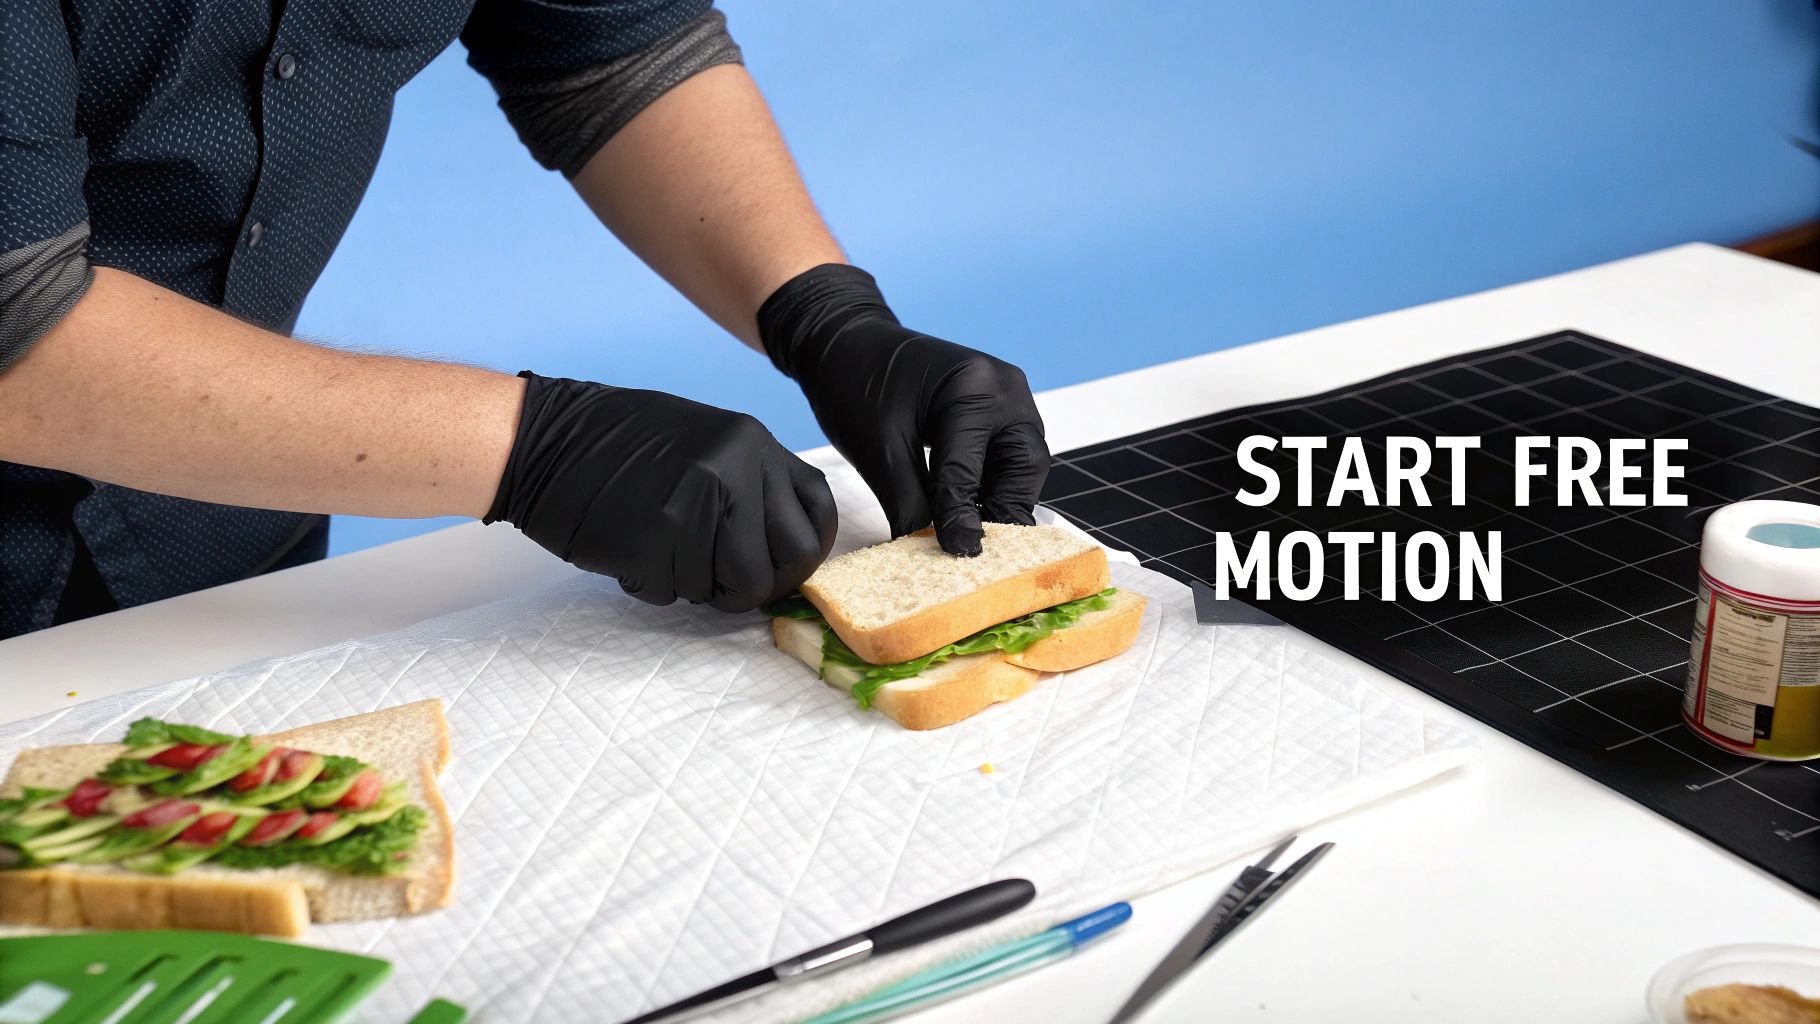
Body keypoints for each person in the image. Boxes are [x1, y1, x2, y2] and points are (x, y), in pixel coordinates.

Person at [0, 2, 1050, 638]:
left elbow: (610, 49)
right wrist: (541, 449)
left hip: (226, 543)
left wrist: (825, 313)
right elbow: (15, 327)